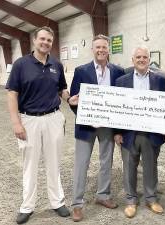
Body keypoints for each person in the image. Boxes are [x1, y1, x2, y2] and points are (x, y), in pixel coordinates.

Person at [6, 26, 73, 224]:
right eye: (42, 39)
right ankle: (27, 206)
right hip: (29, 120)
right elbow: (12, 94)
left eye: (49, 40)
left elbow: (62, 90)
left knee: (54, 162)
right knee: (30, 165)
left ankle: (57, 202)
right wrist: (16, 123)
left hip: (53, 118)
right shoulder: (21, 64)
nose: (45, 43)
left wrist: (70, 98)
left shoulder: (56, 65)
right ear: (35, 40)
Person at [68, 34, 125, 222]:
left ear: (109, 49)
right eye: (97, 47)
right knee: (81, 164)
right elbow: (73, 101)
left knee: (106, 161)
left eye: (104, 47)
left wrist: (118, 130)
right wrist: (83, 115)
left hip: (108, 125)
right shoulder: (81, 71)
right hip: (86, 125)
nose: (101, 50)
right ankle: (77, 204)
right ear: (92, 49)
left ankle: (103, 195)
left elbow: (122, 101)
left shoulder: (118, 71)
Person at [114, 46, 165, 218]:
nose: (141, 60)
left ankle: (151, 198)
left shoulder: (160, 80)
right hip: (128, 133)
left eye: (145, 57)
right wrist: (117, 131)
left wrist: (163, 125)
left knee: (150, 166)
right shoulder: (121, 81)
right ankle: (131, 200)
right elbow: (116, 108)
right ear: (133, 60)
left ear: (149, 59)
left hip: (151, 133)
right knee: (129, 166)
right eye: (138, 57)